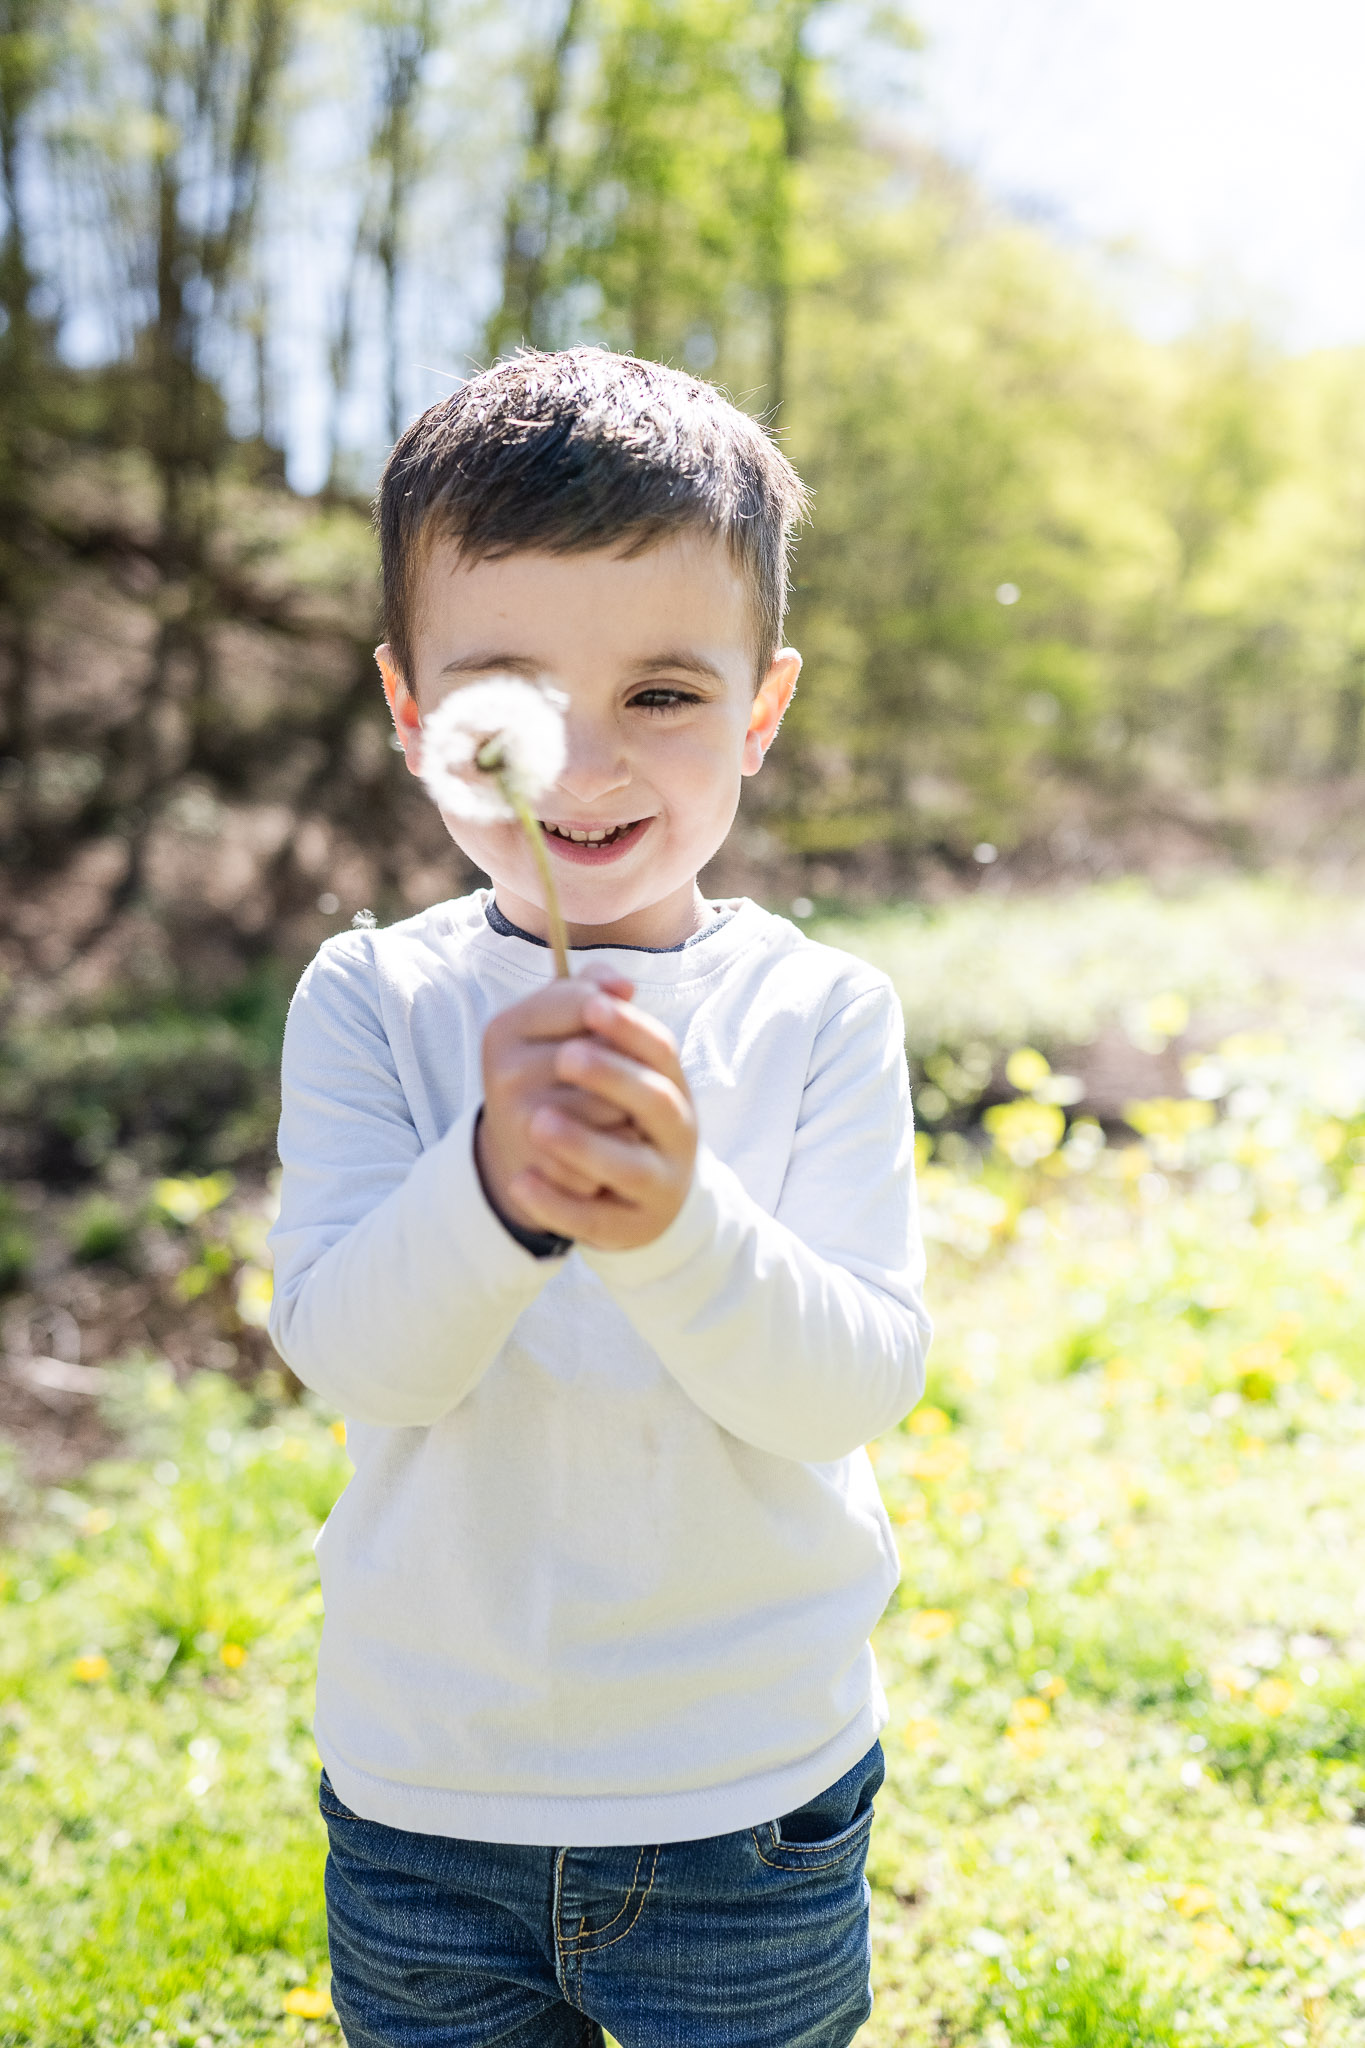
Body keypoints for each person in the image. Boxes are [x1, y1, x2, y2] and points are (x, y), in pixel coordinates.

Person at [267, 346, 931, 2048]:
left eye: (660, 694)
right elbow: (359, 1361)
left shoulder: (819, 1013)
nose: (584, 766)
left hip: (744, 1795)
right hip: (430, 1799)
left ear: (760, 710)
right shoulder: (370, 1004)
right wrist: (491, 1187)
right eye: (512, 696)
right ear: (418, 718)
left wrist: (674, 1226)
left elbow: (850, 1387)